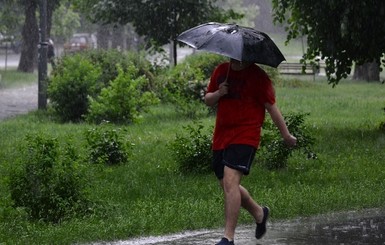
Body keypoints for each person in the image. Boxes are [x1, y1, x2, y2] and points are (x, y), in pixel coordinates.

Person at [204, 59, 297, 245]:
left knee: (231, 181)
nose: (234, 58)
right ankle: (259, 213)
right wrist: (219, 93)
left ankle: (228, 238)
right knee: (228, 186)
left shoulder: (258, 77)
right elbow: (207, 100)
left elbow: (271, 107)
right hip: (222, 136)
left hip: (245, 135)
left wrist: (286, 135)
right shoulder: (222, 70)